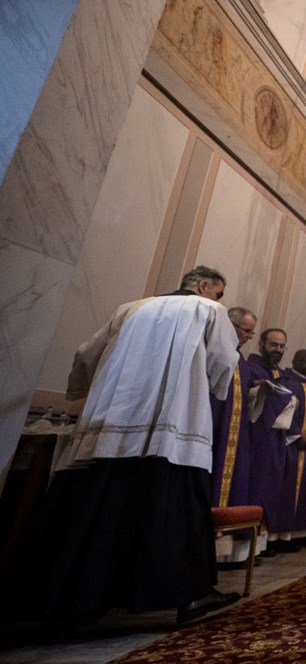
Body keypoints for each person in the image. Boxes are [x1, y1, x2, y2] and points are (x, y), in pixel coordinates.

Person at [29, 266, 241, 626]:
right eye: (218, 292)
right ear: (204, 287)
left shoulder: (130, 308)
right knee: (173, 505)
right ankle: (188, 594)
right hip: (173, 426)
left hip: (110, 424)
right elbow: (223, 362)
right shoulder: (210, 311)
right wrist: (203, 390)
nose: (219, 299)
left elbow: (84, 355)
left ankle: (77, 598)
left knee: (99, 506)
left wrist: (87, 392)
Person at [209, 306, 258, 565]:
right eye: (247, 330)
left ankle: (224, 551)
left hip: (235, 435)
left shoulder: (241, 360)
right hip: (215, 434)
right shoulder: (218, 354)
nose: (250, 336)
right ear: (232, 326)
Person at [272, 349, 306, 551]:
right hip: (289, 447)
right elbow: (280, 410)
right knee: (283, 490)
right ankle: (276, 537)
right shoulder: (286, 383)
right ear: (294, 360)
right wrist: (296, 436)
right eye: (304, 360)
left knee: (304, 491)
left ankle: (293, 535)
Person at [246, 328, 291, 554]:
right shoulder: (251, 367)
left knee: (270, 488)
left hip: (274, 440)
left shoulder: (278, 373)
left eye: (282, 346)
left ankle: (260, 544)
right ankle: (245, 546)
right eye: (274, 345)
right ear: (260, 344)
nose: (278, 350)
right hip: (255, 441)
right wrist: (258, 390)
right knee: (255, 487)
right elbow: (247, 400)